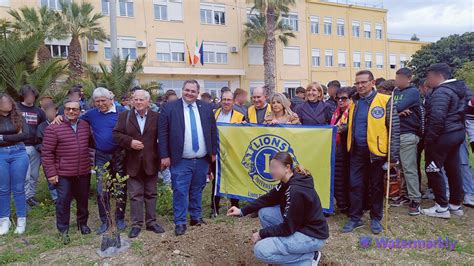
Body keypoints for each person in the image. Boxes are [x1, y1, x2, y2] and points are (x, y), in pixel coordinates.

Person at [227, 152, 329, 265]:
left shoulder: (296, 191)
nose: (271, 171)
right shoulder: (287, 181)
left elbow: (288, 228)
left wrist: (261, 233)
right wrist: (242, 211)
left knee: (261, 250)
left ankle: (308, 258)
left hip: (312, 236)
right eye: (271, 167)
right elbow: (268, 198)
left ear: (287, 168)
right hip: (299, 226)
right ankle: (285, 252)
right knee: (265, 213)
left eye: (275, 167)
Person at [342, 70, 400, 234]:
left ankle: (376, 218)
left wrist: (393, 156)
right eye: (357, 83)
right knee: (355, 185)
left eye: (363, 82)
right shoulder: (354, 102)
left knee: (376, 187)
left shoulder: (385, 100)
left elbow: (394, 129)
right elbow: (351, 124)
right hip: (356, 152)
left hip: (377, 152)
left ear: (372, 83)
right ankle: (355, 217)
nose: (360, 86)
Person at [159, 80, 218, 236]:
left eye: (193, 91)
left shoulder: (206, 108)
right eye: (187, 90)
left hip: (202, 159)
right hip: (180, 160)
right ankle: (180, 222)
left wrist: (213, 152)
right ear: (182, 90)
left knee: (197, 189)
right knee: (180, 190)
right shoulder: (169, 107)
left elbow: (213, 131)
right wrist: (164, 155)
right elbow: (163, 133)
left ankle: (196, 217)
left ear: (197, 93)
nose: (189, 93)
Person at [113, 90, 165, 238]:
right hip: (132, 162)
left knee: (151, 194)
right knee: (135, 195)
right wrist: (130, 142)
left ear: (148, 102)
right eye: (135, 100)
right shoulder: (124, 116)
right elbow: (116, 134)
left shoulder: (157, 117)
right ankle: (136, 225)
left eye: (141, 100)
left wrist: (163, 158)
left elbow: (162, 138)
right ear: (131, 101)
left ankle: (151, 222)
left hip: (151, 161)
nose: (138, 102)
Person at [421, 63, 469, 218]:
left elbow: (437, 117)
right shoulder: (459, 89)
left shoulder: (442, 92)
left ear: (438, 76)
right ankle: (455, 204)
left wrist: (429, 139)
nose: (428, 82)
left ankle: (441, 207)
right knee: (453, 168)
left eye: (429, 77)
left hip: (442, 135)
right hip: (456, 133)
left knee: (433, 168)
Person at [42, 99, 93, 244]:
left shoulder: (85, 125)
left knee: (83, 200)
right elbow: (47, 153)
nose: (71, 111)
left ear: (80, 111)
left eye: (74, 109)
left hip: (83, 171)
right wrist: (51, 173)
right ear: (63, 110)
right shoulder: (54, 128)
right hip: (63, 173)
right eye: (68, 109)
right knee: (63, 202)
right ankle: (63, 230)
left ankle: (82, 224)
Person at [390, 68, 423, 216]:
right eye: (396, 78)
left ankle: (415, 199)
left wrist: (396, 110)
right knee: (401, 168)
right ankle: (405, 194)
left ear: (409, 78)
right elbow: (389, 109)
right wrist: (397, 111)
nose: (397, 81)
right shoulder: (395, 92)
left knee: (409, 168)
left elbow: (395, 107)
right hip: (397, 134)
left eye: (400, 78)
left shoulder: (413, 92)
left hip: (408, 134)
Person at [210, 90, 245, 218]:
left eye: (228, 100)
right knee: (216, 180)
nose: (226, 102)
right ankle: (214, 208)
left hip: (232, 153)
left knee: (233, 179)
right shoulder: (214, 114)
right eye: (224, 99)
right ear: (220, 100)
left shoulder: (240, 116)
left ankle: (234, 206)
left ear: (233, 101)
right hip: (217, 152)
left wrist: (242, 127)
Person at [0, 93, 29, 235]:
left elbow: (25, 135)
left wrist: (3, 137)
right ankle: (4, 220)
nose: (8, 104)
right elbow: (19, 135)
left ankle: (21, 219)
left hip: (19, 152)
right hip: (1, 154)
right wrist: (15, 136)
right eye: (4, 102)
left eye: (9, 102)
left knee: (18, 188)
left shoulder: (18, 116)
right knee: (3, 188)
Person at [17, 85, 46, 208]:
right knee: (25, 175)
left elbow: (44, 127)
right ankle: (24, 198)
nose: (30, 97)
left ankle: (31, 196)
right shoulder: (16, 108)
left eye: (32, 95)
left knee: (34, 174)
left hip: (34, 147)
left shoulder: (39, 111)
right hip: (20, 146)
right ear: (23, 95)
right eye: (27, 95)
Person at [330, 87, 352, 214]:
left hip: (349, 151)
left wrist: (343, 129)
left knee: (347, 178)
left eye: (344, 98)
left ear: (350, 99)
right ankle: (342, 203)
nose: (340, 101)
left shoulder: (352, 112)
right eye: (338, 98)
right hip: (336, 150)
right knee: (338, 178)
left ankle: (348, 204)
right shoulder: (335, 112)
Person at [35, 104, 58, 203]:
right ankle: (55, 197)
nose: (51, 113)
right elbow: (37, 143)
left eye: (52, 111)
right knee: (50, 176)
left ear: (56, 112)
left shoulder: (62, 123)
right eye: (48, 111)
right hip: (47, 156)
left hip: (61, 156)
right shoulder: (41, 126)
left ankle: (66, 196)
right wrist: (46, 149)